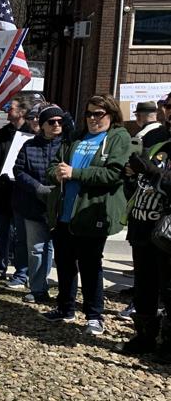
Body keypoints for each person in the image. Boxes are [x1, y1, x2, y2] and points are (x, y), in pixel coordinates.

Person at [43, 94, 129, 336]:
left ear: (111, 115)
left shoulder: (118, 138)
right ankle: (65, 308)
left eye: (98, 114)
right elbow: (53, 165)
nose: (92, 119)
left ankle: (94, 315)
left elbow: (113, 174)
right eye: (89, 114)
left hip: (91, 213)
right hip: (65, 212)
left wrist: (76, 173)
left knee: (90, 265)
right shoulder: (76, 137)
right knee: (65, 262)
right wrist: (56, 173)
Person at [119, 132, 171, 356]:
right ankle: (144, 337)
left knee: (168, 291)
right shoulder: (161, 145)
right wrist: (131, 175)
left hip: (166, 235)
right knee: (144, 288)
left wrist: (152, 171)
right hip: (142, 227)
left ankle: (167, 346)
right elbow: (138, 188)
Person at [12, 104, 67, 304]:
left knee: (54, 249)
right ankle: (38, 290)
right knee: (36, 248)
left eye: (59, 121)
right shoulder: (29, 146)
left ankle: (60, 292)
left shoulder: (68, 146)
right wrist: (37, 187)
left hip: (60, 206)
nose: (56, 125)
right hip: (34, 205)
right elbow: (18, 171)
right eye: (51, 122)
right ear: (42, 125)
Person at [0, 97, 32, 289]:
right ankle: (0, 267)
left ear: (21, 112)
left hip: (20, 192)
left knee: (20, 235)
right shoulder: (2, 133)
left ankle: (21, 272)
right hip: (0, 192)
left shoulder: (30, 135)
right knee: (1, 232)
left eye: (10, 108)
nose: (7, 110)